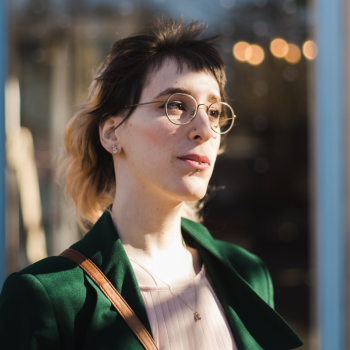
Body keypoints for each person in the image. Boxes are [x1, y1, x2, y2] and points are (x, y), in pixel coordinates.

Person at [0, 18, 303, 350]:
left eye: (214, 111)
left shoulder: (247, 274)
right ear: (112, 133)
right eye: (176, 105)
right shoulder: (49, 295)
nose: (204, 128)